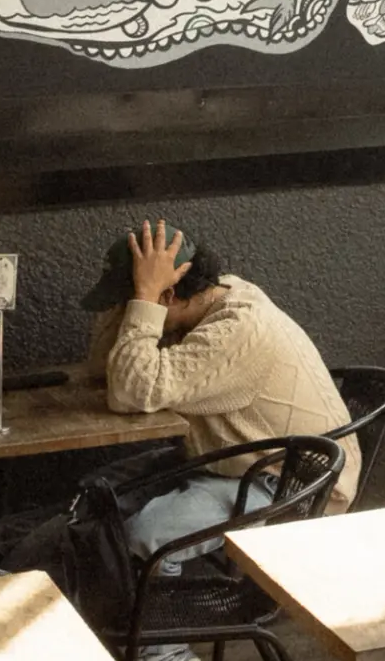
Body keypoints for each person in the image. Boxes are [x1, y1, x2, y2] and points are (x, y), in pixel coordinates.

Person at [77, 221, 355, 528]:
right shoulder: (202, 302)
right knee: (96, 492)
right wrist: (140, 299)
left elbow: (131, 390)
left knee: (143, 533)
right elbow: (102, 371)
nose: (127, 311)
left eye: (127, 303)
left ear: (168, 295)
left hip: (289, 484)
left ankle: (155, 576)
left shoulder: (237, 327)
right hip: (230, 461)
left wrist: (144, 298)